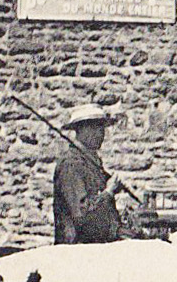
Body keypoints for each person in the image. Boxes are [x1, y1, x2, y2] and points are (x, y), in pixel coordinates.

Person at [52, 102, 126, 244]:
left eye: (102, 128)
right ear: (82, 129)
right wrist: (109, 192)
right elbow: (82, 216)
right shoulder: (70, 164)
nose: (101, 134)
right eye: (95, 128)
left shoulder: (91, 163)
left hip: (97, 247)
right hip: (76, 250)